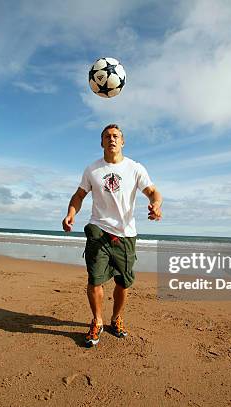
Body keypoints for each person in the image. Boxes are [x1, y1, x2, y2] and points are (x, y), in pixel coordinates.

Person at [62, 124, 163, 347]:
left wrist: (155, 204)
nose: (112, 139)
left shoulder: (135, 168)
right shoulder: (92, 169)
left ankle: (116, 318)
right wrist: (71, 213)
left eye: (116, 136)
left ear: (123, 142)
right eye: (107, 136)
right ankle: (97, 320)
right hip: (98, 230)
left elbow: (153, 191)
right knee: (95, 279)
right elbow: (79, 195)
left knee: (123, 282)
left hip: (126, 234)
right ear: (101, 143)